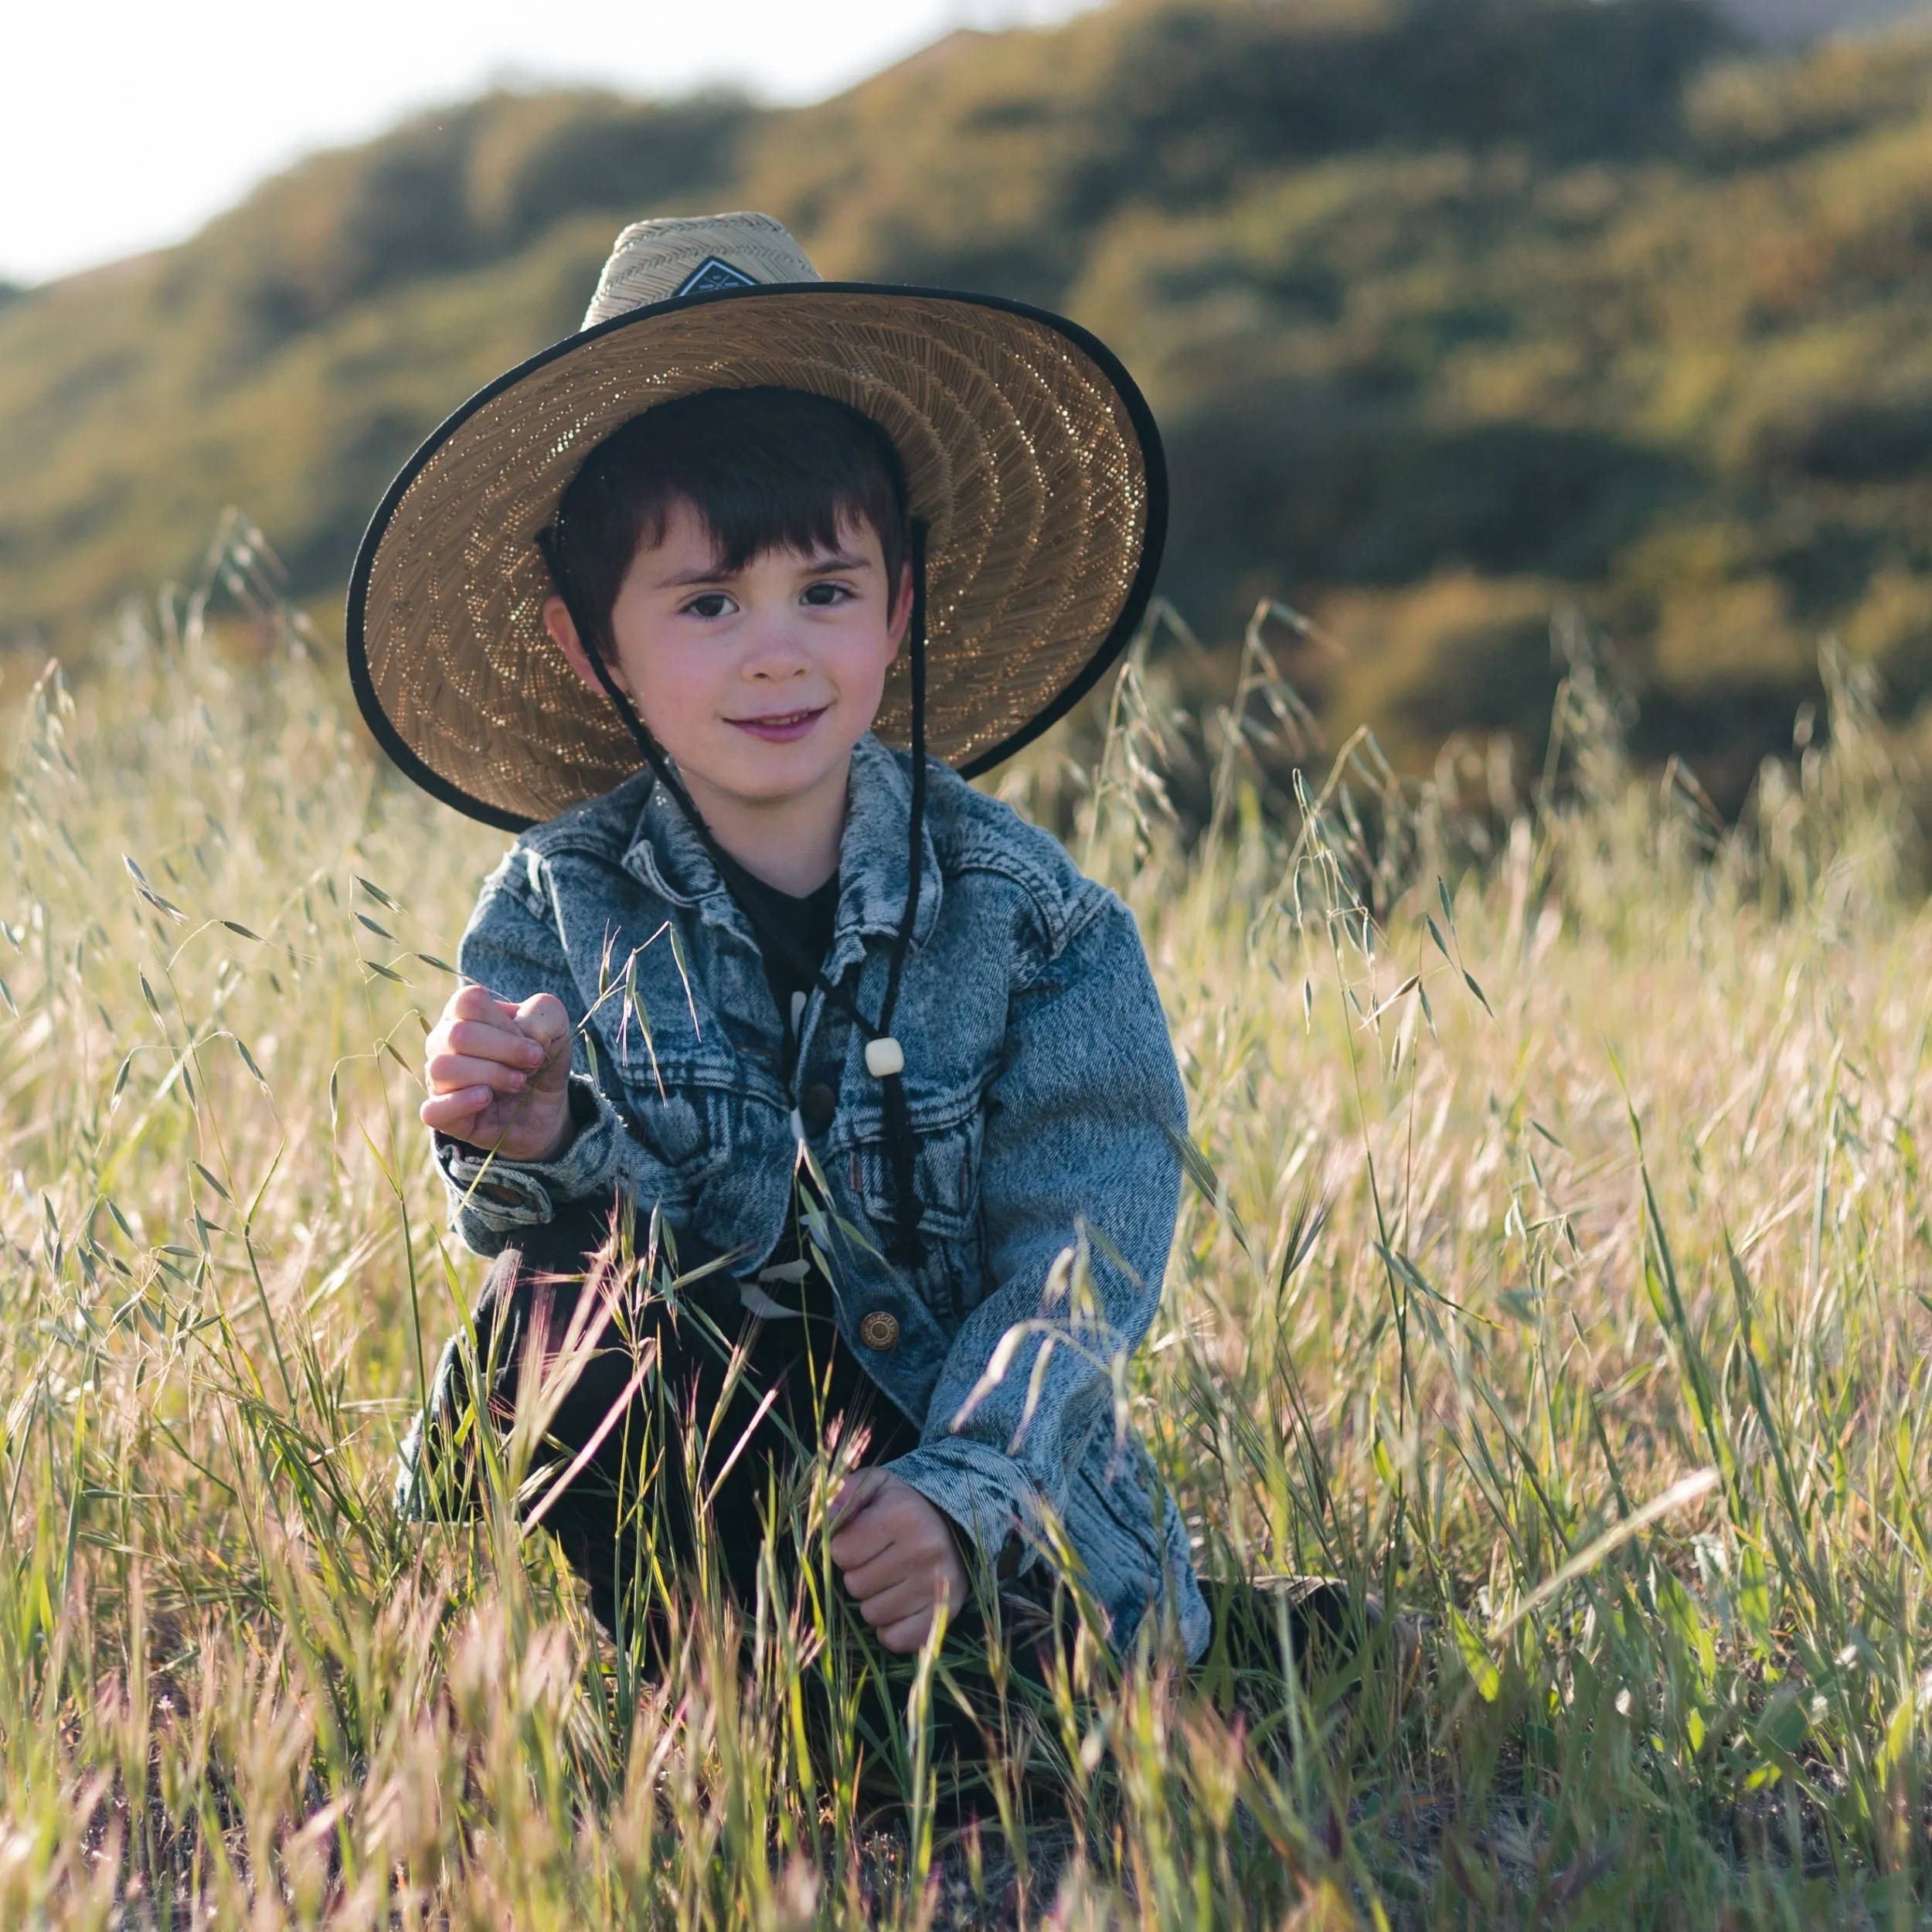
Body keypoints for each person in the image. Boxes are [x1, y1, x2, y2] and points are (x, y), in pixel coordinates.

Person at [352, 211, 1270, 1713]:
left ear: (896, 608)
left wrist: (963, 1492)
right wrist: (535, 1143)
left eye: (823, 592)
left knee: (1023, 1664)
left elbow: (1075, 1271)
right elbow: (587, 1267)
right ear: (596, 648)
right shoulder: (555, 900)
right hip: (704, 1450)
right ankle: (716, 1673)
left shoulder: (1030, 919)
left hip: (953, 1460)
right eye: (707, 603)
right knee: (541, 1306)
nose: (776, 652)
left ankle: (970, 1672)